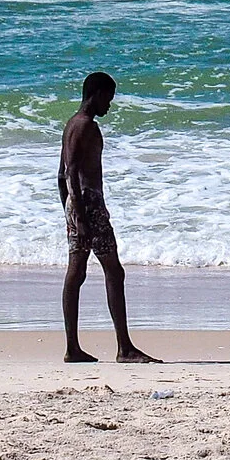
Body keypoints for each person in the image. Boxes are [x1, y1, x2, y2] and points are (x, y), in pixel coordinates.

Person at [58, 70, 158, 365]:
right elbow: (71, 173)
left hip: (80, 206)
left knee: (78, 273)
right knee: (111, 272)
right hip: (88, 205)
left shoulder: (71, 125)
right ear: (97, 94)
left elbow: (59, 177)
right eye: (109, 98)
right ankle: (123, 348)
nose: (109, 106)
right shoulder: (84, 126)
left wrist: (68, 211)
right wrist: (81, 215)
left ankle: (74, 348)